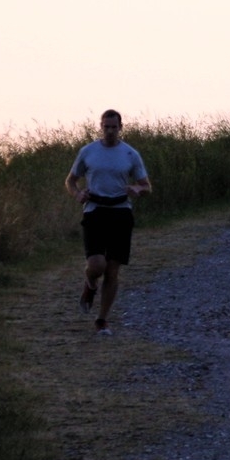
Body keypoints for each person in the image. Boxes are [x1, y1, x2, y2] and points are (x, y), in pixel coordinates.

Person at [65, 109, 152, 336]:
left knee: (112, 271)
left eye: (114, 127)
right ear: (100, 127)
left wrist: (137, 189)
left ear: (121, 127)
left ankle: (102, 320)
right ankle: (90, 284)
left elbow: (147, 186)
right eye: (107, 127)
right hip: (95, 211)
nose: (110, 131)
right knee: (97, 266)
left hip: (121, 213)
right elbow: (71, 180)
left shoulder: (130, 154)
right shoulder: (88, 152)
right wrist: (77, 195)